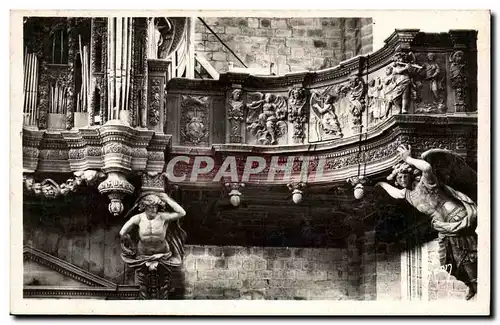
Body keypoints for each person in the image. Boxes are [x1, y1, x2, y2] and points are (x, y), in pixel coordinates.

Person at [376, 144, 477, 300]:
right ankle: (471, 282)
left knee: (463, 252)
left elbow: (427, 167)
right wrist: (379, 184)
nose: (402, 180)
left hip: (455, 216)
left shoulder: (425, 182)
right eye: (399, 178)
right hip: (442, 225)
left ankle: (475, 283)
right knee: (446, 260)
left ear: (410, 175)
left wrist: (408, 158)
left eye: (404, 176)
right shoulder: (407, 194)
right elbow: (395, 194)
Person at [119, 192, 187, 270]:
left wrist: (167, 200)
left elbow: (182, 213)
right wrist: (131, 245)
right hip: (143, 254)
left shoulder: (162, 217)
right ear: (144, 206)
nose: (154, 209)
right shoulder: (138, 218)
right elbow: (122, 232)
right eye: (151, 207)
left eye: (156, 206)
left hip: (163, 254)